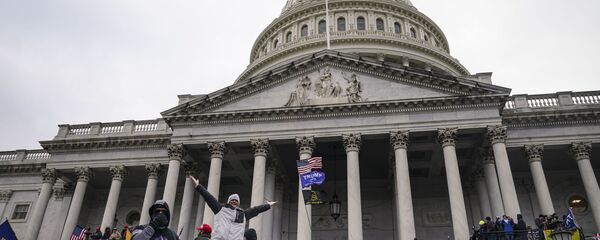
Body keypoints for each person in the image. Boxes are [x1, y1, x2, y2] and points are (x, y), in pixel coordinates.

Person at [190, 176, 277, 240]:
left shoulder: (242, 214)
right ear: (228, 201)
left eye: (236, 200)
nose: (234, 201)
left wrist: (268, 205)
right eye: (232, 200)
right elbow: (209, 198)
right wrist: (198, 187)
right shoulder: (220, 209)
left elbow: (256, 210)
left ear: (238, 203)